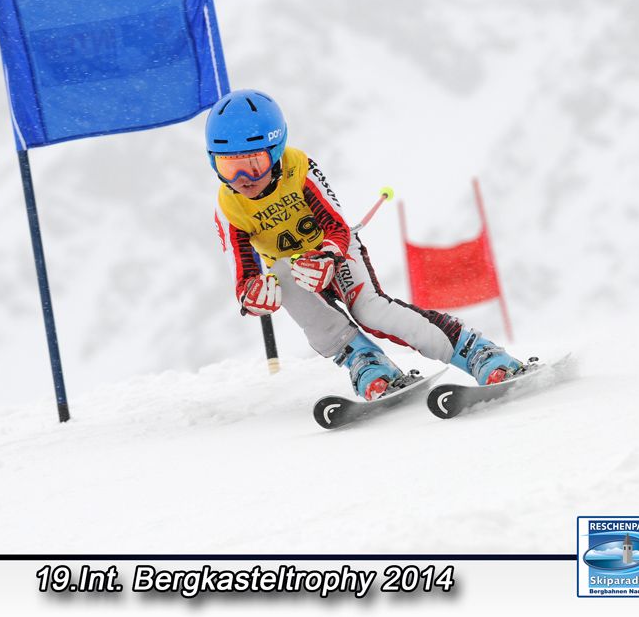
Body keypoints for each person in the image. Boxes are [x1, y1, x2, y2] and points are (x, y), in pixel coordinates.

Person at [209, 89, 523, 401]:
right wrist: (253, 297)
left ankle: (474, 351)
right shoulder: (229, 209)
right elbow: (244, 275)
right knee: (288, 285)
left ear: (276, 150)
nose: (242, 179)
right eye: (227, 167)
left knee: (370, 310)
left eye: (254, 164)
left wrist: (328, 256)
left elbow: (336, 226)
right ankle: (366, 361)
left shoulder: (299, 169)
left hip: (336, 251)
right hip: (293, 270)